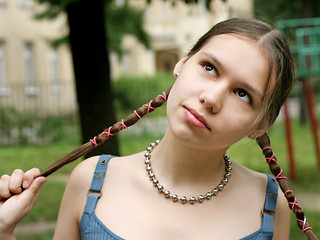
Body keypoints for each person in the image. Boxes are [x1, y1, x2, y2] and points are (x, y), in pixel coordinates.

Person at [0, 18, 317, 240]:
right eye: (209, 68)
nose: (211, 98)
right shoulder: (92, 181)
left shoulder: (269, 207)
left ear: (260, 124)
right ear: (182, 64)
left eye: (242, 93)